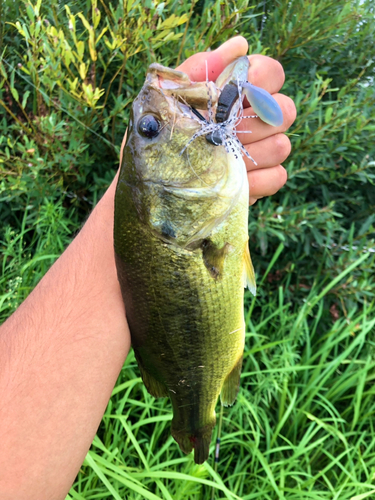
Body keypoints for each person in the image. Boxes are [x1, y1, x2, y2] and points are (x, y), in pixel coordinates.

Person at [0, 36, 296, 499]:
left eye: (149, 127)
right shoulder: (168, 214)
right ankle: (198, 420)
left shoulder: (172, 212)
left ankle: (196, 420)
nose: (151, 115)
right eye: (152, 128)